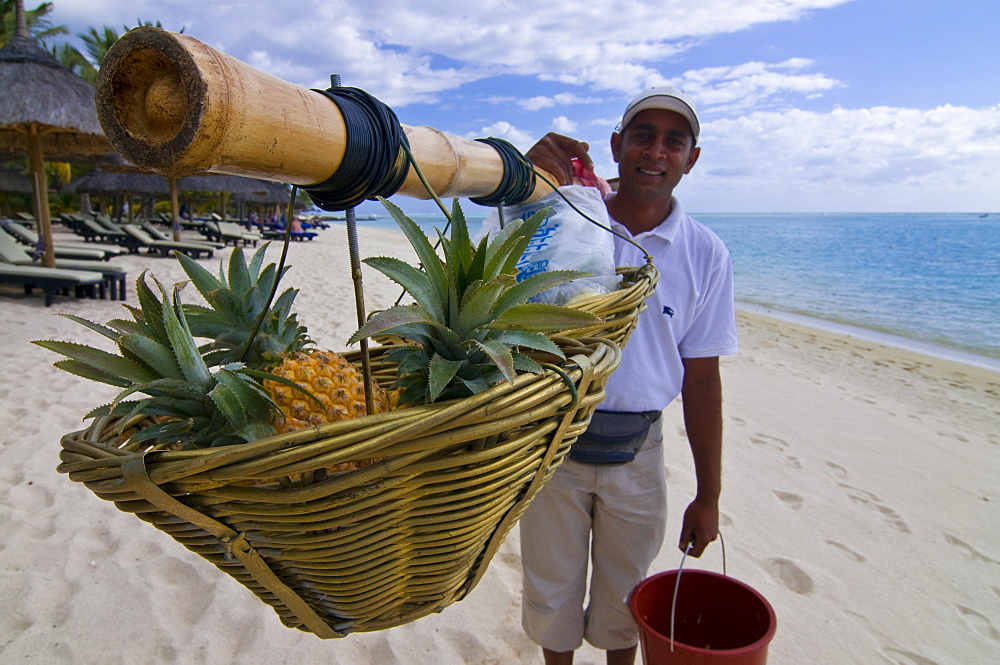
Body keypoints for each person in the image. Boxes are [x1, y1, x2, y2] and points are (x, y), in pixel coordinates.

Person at [518, 86, 739, 665]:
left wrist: (709, 493)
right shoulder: (568, 216)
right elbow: (510, 249)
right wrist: (526, 174)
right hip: (552, 443)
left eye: (674, 141)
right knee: (551, 589)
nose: (656, 151)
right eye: (643, 135)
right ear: (616, 147)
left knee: (626, 599)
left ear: (692, 158)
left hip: (640, 451)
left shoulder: (705, 253)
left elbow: (703, 377)